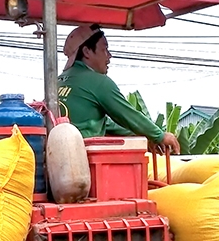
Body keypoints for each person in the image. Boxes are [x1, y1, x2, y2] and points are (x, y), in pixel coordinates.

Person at [57, 23, 181, 154]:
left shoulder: (58, 81)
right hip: (82, 159)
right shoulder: (98, 82)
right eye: (104, 49)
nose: (109, 56)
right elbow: (126, 115)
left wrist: (143, 136)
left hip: (56, 156)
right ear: (87, 51)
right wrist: (160, 136)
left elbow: (104, 123)